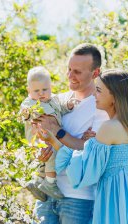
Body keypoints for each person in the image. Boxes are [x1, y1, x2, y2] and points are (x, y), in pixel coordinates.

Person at [36, 69, 128, 224]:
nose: (94, 94)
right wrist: (87, 143)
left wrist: (54, 141)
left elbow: (84, 171)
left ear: (115, 96)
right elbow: (94, 154)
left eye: (99, 90)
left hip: (116, 197)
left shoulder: (109, 127)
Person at [30, 44, 109, 224]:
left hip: (78, 197)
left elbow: (91, 150)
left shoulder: (101, 107)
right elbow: (43, 137)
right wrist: (40, 149)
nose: (70, 75)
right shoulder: (59, 100)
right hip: (47, 192)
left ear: (96, 73)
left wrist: (59, 132)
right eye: (69, 69)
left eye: (77, 72)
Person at [20, 66, 78, 201]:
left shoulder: (54, 99)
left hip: (49, 137)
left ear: (50, 87)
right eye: (36, 91)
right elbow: (25, 114)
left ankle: (37, 182)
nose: (41, 93)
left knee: (48, 158)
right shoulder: (30, 103)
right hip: (39, 137)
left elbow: (60, 109)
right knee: (51, 156)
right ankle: (50, 184)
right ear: (29, 91)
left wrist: (68, 106)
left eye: (44, 89)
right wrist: (28, 113)